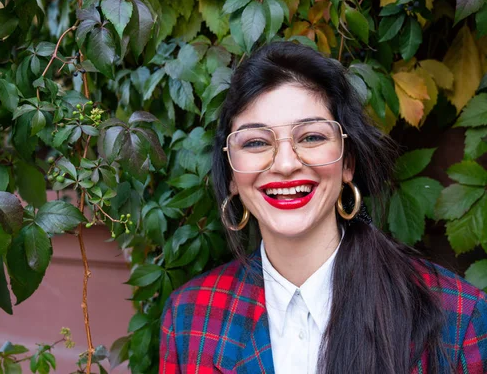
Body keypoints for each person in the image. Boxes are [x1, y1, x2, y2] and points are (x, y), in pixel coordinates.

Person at [159, 42, 487, 374]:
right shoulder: (189, 319)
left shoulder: (456, 317)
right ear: (231, 174)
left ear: (348, 162)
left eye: (312, 137)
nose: (285, 164)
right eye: (256, 142)